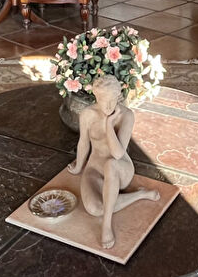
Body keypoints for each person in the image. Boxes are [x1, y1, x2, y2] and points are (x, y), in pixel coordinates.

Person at [67, 74, 159, 249]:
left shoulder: (126, 115)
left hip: (120, 169)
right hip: (95, 168)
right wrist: (79, 167)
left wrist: (109, 124)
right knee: (94, 209)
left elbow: (117, 154)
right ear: (96, 96)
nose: (109, 106)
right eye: (104, 100)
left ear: (118, 96)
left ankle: (106, 225)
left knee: (110, 164)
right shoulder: (87, 114)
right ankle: (140, 195)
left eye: (112, 100)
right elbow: (83, 142)